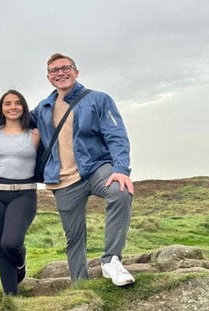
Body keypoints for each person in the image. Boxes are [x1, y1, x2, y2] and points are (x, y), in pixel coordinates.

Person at [32, 53, 135, 286]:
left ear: (76, 72)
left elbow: (116, 135)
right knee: (74, 237)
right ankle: (81, 285)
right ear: (48, 77)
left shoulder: (98, 99)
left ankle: (111, 261)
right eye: (54, 70)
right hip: (63, 180)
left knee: (120, 191)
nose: (60, 73)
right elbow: (14, 119)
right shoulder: (43, 107)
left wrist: (121, 169)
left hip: (96, 168)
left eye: (65, 68)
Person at [0, 90, 40, 295]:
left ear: (23, 107)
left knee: (11, 242)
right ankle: (11, 300)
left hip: (23, 193)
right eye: (7, 103)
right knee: (1, 248)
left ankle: (21, 262)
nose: (13, 107)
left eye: (17, 103)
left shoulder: (35, 134)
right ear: (2, 108)